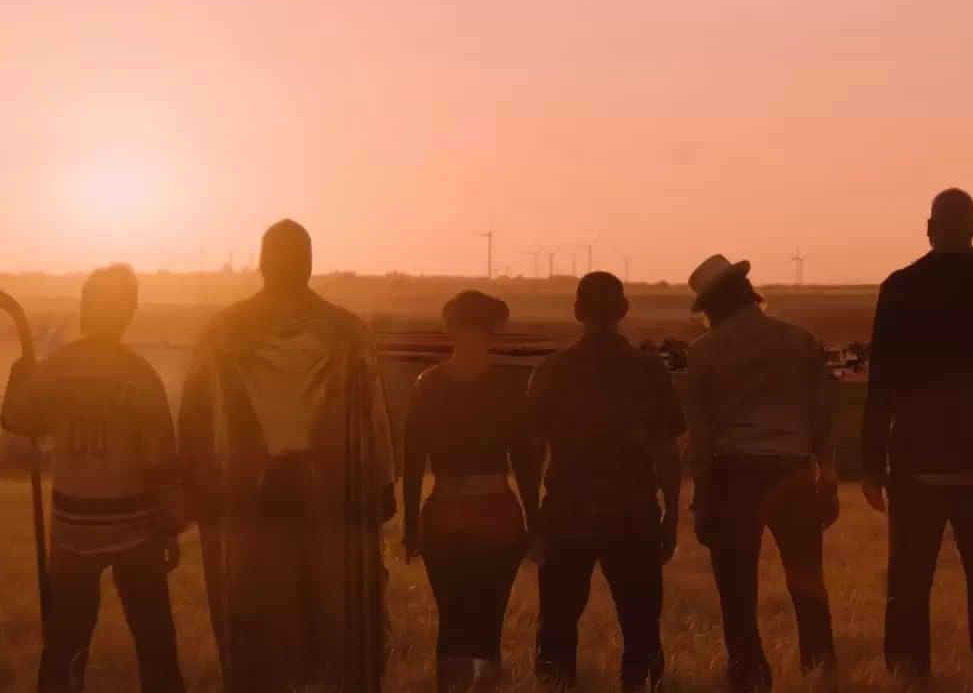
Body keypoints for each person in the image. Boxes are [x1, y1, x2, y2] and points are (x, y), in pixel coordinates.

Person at [178, 220, 396, 692]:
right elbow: (374, 422)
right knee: (338, 621)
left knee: (255, 624)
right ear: (310, 264)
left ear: (261, 264)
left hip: (247, 512)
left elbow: (193, 421)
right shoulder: (347, 333)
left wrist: (192, 490)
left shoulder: (222, 333)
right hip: (334, 513)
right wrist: (382, 486)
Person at [861, 188, 973, 678]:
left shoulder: (899, 288)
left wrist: (872, 463)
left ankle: (907, 674)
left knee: (909, 583)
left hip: (917, 463)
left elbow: (880, 383)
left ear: (929, 227)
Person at [1, 265, 186, 693]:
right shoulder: (141, 377)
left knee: (65, 645)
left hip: (71, 531)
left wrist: (17, 376)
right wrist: (170, 530)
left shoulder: (58, 367)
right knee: (156, 644)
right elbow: (161, 462)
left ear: (86, 308)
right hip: (136, 531)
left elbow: (14, 419)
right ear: (129, 312)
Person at [685, 254, 839, 692]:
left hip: (734, 475)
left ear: (711, 307)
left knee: (737, 590)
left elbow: (701, 436)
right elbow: (822, 419)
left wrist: (701, 500)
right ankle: (821, 670)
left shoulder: (705, 352)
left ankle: (749, 676)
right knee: (808, 581)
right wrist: (826, 476)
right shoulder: (800, 340)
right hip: (793, 471)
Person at [529, 272, 684, 691]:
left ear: (578, 311)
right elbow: (668, 453)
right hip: (632, 513)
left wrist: (533, 519)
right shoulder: (649, 371)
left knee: (557, 626)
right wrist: (671, 516)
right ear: (624, 311)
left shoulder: (551, 371)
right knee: (641, 627)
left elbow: (531, 452)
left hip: (567, 512)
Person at [401, 291, 543, 691]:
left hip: (444, 513)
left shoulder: (426, 386)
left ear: (449, 327)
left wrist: (411, 524)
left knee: (452, 619)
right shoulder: (509, 389)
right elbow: (526, 463)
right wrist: (534, 522)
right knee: (488, 620)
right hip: (498, 513)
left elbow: (412, 463)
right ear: (494, 330)